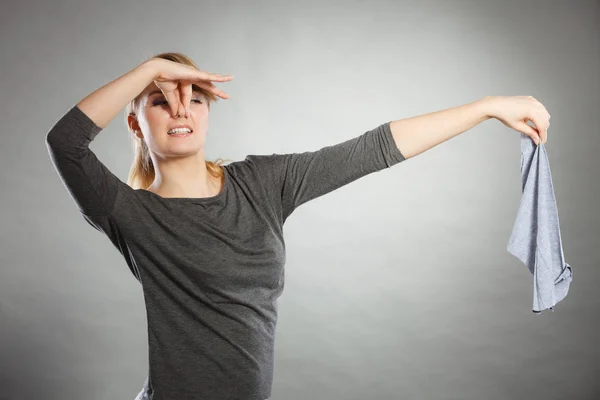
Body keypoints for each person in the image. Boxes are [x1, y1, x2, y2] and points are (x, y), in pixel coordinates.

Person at [45, 51, 550, 400]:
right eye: (161, 100)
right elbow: (65, 140)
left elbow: (372, 149)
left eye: (194, 96)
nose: (181, 108)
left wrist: (486, 108)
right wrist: (155, 68)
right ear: (136, 122)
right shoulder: (127, 212)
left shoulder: (263, 184)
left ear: (208, 110)